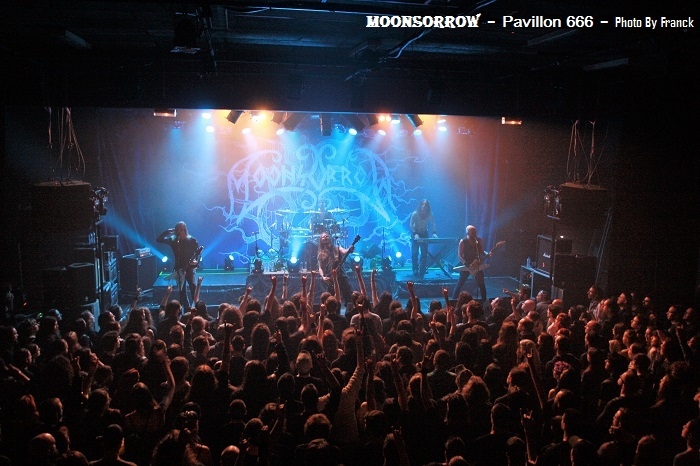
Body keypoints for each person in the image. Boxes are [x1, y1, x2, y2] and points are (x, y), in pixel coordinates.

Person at [157, 221, 201, 308]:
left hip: (190, 268)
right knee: (182, 291)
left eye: (181, 230)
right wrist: (167, 232)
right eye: (177, 230)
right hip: (179, 268)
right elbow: (159, 240)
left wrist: (196, 262)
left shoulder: (192, 240)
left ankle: (196, 308)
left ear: (185, 230)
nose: (179, 232)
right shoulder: (173, 241)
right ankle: (187, 309)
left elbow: (198, 254)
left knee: (193, 288)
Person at [317, 232, 354, 309]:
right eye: (323, 237)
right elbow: (320, 268)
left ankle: (349, 312)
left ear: (330, 238)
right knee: (330, 299)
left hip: (341, 275)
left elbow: (345, 251)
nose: (325, 238)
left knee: (348, 296)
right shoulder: (321, 254)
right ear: (321, 240)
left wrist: (349, 249)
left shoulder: (337, 248)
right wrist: (323, 277)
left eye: (326, 236)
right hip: (330, 278)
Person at [452, 225, 487, 301]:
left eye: (475, 232)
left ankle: (484, 302)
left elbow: (482, 252)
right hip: (467, 266)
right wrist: (467, 264)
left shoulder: (479, 240)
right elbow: (459, 256)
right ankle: (453, 301)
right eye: (472, 232)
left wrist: (488, 254)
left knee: (482, 285)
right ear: (468, 233)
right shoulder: (463, 241)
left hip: (477, 265)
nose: (474, 234)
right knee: (460, 284)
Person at [409, 199, 437, 278]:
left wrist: (434, 233)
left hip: (424, 233)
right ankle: (415, 269)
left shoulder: (429, 214)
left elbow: (433, 223)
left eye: (426, 205)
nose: (424, 206)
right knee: (415, 253)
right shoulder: (415, 213)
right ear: (420, 205)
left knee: (424, 253)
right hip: (416, 233)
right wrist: (415, 234)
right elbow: (411, 224)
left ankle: (422, 270)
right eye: (422, 204)